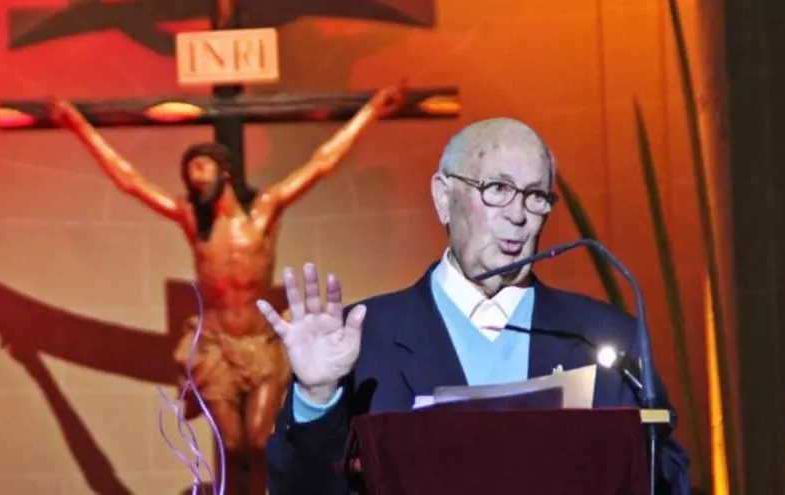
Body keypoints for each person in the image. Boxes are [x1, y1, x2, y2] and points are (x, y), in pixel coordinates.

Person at [256, 118, 691, 494]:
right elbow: (300, 488)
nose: (518, 215)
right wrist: (316, 397)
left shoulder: (602, 338)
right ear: (443, 198)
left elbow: (668, 479)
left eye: (536, 196)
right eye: (497, 189)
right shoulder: (365, 340)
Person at [48, 82, 406, 495]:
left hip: (261, 345)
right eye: (191, 172)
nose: (195, 177)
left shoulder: (264, 212)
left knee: (260, 441)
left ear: (225, 172)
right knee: (231, 445)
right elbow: (130, 181)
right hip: (216, 348)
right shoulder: (191, 221)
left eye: (202, 167)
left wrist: (371, 111)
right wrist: (78, 126)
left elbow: (321, 164)